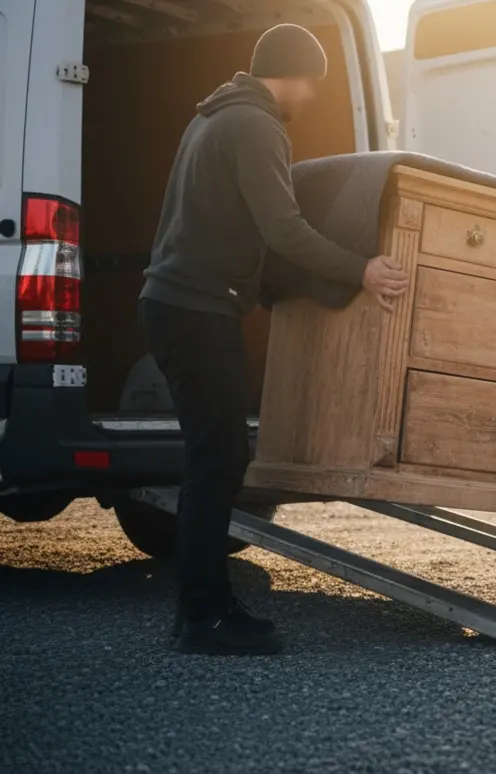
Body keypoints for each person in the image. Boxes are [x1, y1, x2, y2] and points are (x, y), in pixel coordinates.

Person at [140, 24, 409, 654]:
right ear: (288, 73)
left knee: (214, 457)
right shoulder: (256, 125)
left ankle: (203, 606)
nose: (311, 96)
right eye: (311, 82)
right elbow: (283, 228)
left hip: (177, 304)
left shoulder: (212, 117)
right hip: (195, 310)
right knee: (219, 459)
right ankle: (203, 617)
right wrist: (360, 268)